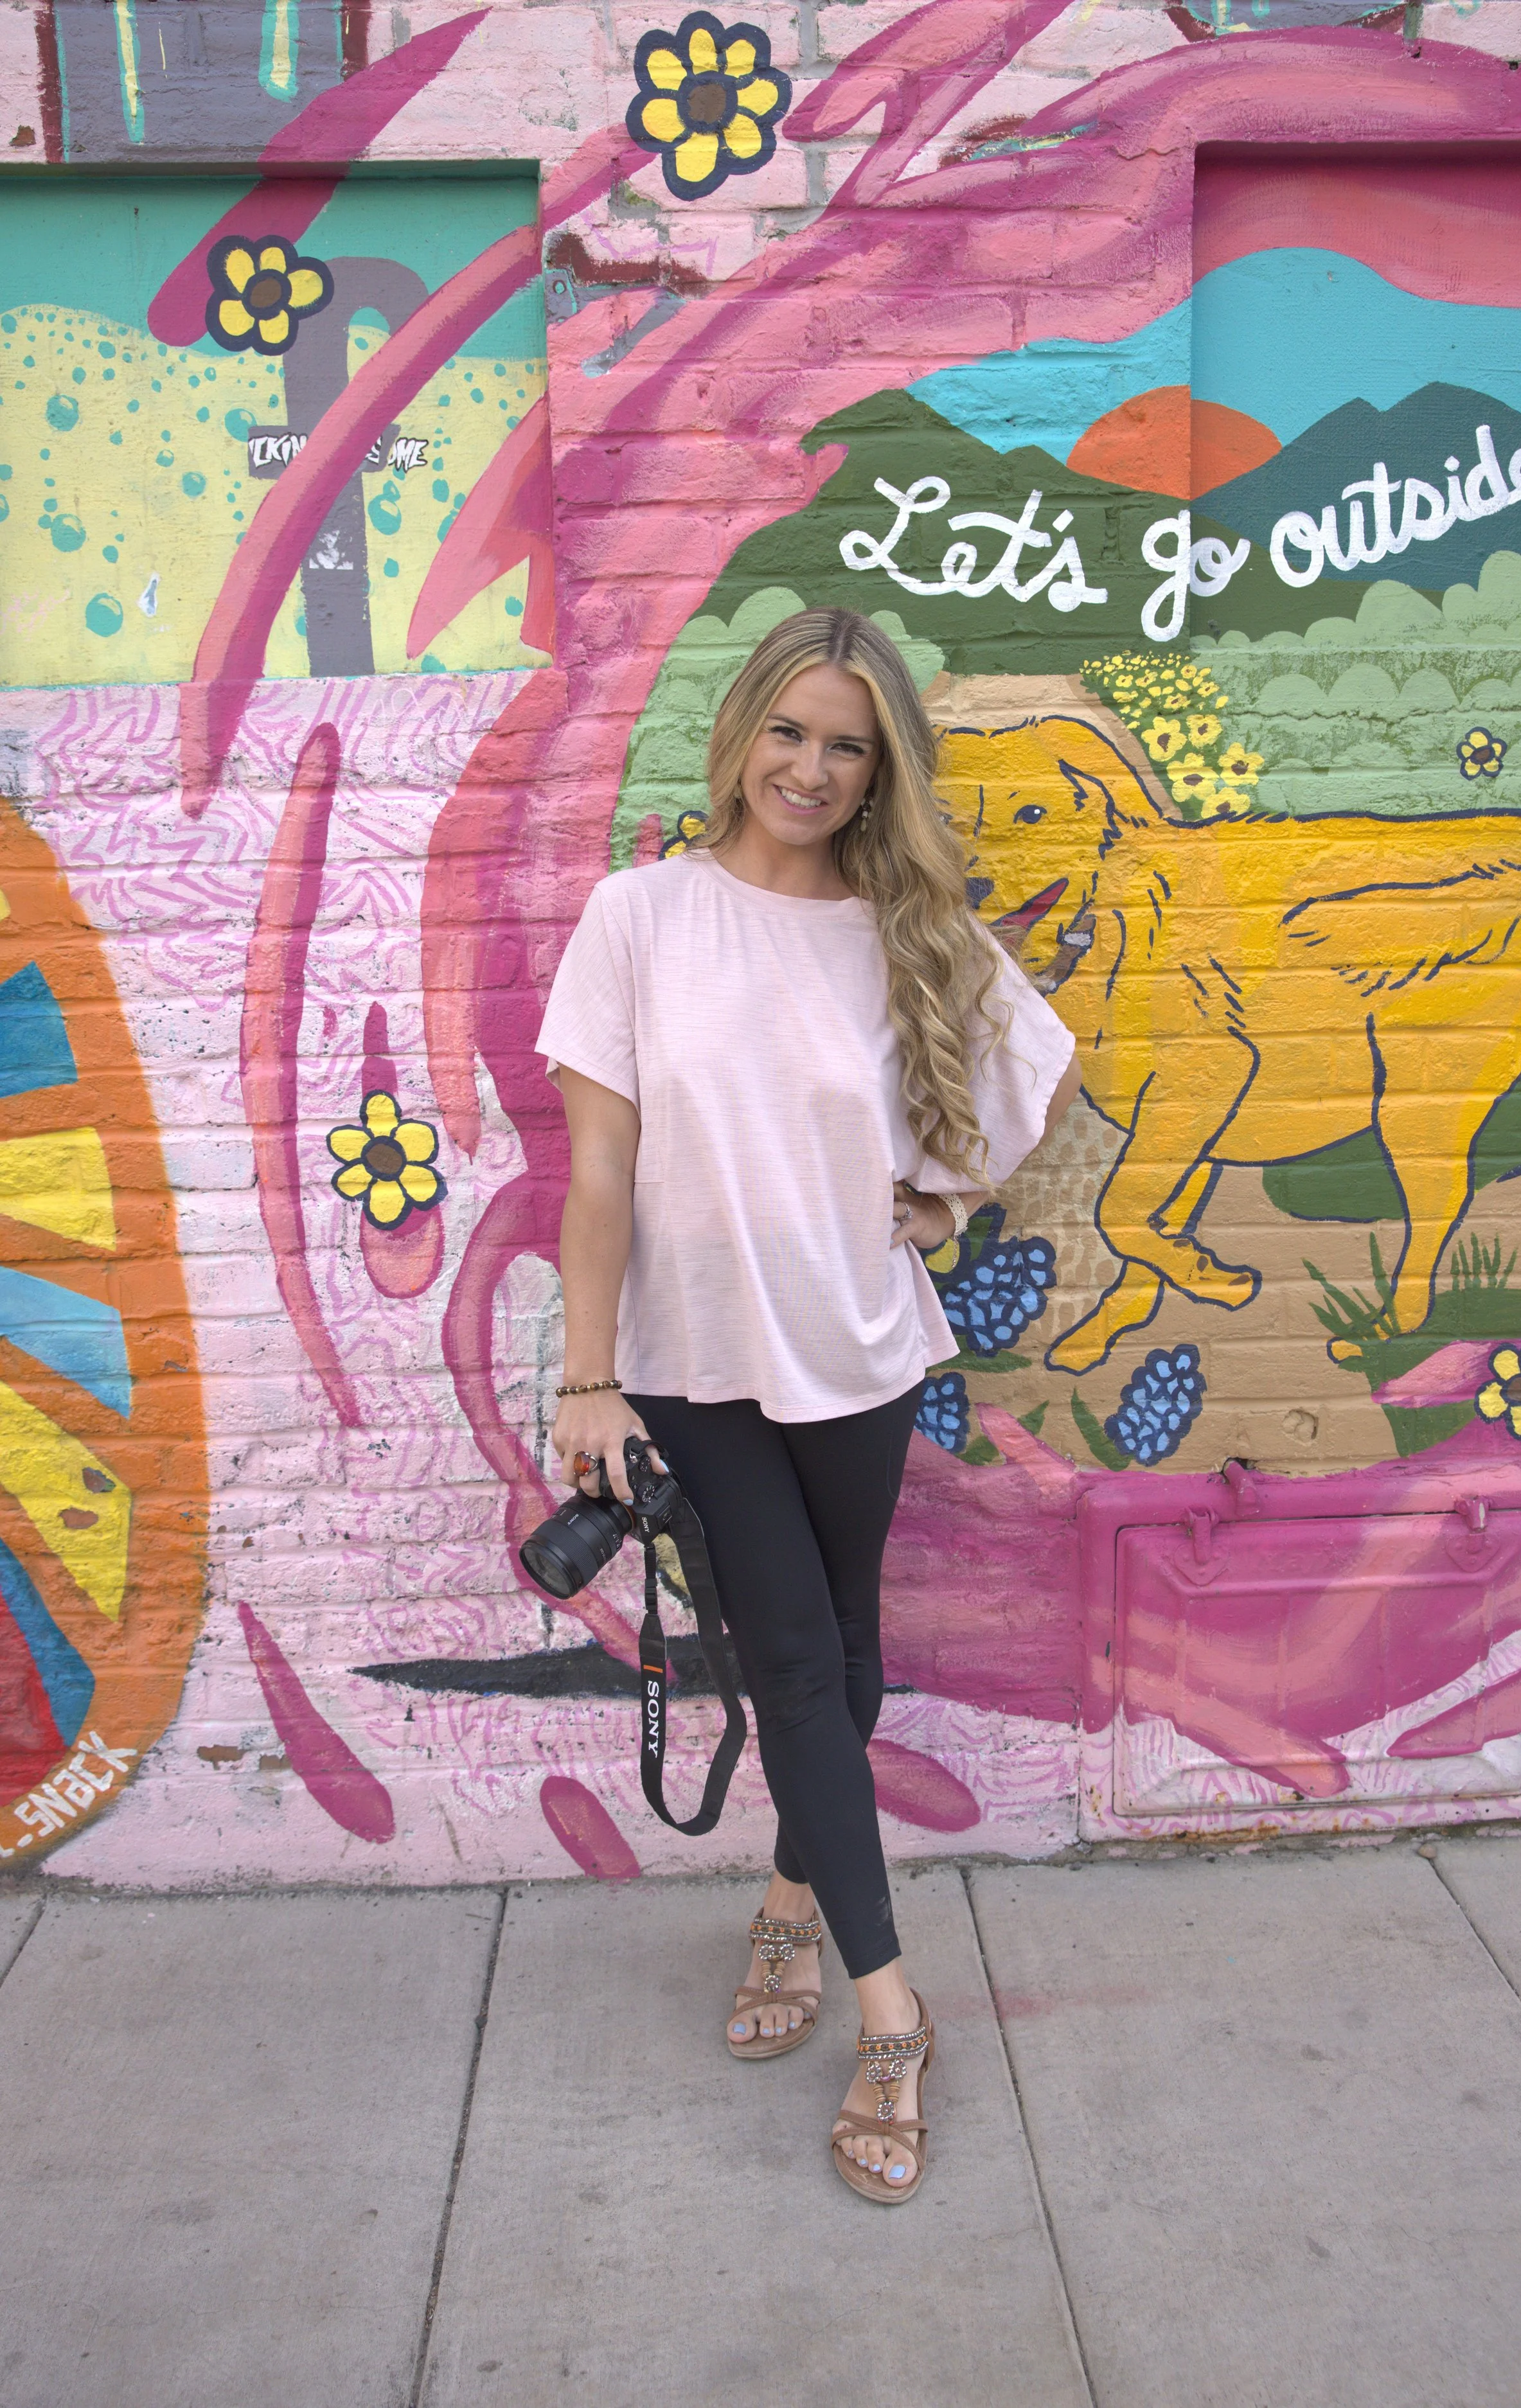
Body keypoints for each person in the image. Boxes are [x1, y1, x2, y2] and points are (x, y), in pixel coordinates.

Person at [539, 607, 1079, 2204]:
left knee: (842, 1646)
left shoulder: (903, 929)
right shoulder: (640, 915)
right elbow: (599, 1167)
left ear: (879, 768)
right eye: (789, 731)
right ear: (740, 734)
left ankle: (788, 1898)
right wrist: (585, 1373)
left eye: (848, 746)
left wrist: (942, 1200)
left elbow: (1024, 1068)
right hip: (689, 1358)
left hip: (855, 1347)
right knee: (787, 1656)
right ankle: (893, 2011)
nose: (812, 768)